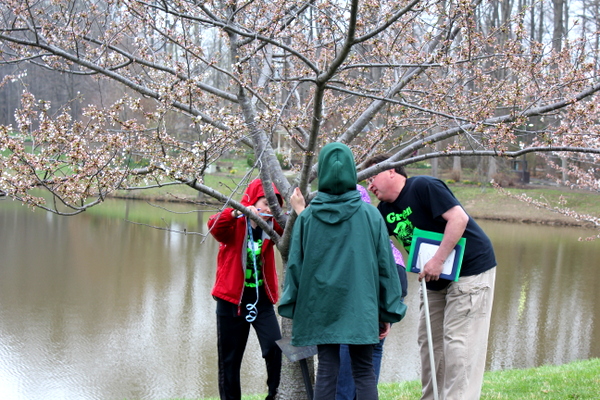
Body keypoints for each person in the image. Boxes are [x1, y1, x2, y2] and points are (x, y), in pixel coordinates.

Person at [364, 154, 497, 400]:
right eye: (367, 181)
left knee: (459, 346)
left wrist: (437, 260)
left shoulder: (423, 186)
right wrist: (386, 311)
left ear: (392, 171)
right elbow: (384, 259)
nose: (370, 185)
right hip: (434, 280)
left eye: (373, 177)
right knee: (430, 346)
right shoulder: (383, 210)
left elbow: (459, 218)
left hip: (470, 271)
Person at [279, 143, 406, 400]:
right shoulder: (371, 216)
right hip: (362, 306)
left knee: (327, 370)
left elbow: (296, 266)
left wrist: (294, 306)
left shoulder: (307, 217)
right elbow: (386, 267)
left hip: (321, 307)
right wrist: (387, 311)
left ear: (322, 171)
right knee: (364, 370)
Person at [207, 179, 283, 400]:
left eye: (274, 204)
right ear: (252, 199)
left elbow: (291, 229)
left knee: (274, 348)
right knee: (229, 360)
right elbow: (214, 227)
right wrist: (235, 212)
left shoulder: (271, 226)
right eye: (265, 202)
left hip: (262, 300)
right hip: (232, 300)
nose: (269, 208)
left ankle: (274, 396)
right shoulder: (235, 222)